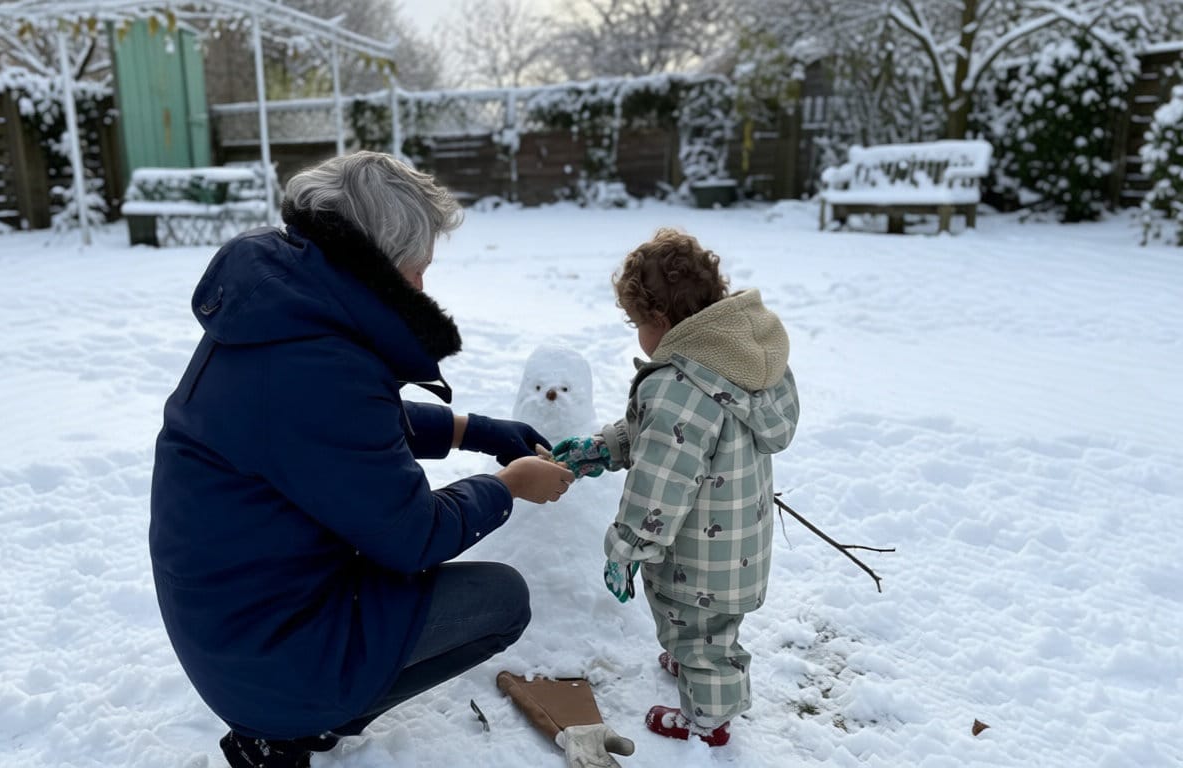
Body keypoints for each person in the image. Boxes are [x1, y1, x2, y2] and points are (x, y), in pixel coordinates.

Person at [149, 151, 575, 768]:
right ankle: (296, 723)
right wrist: (509, 487)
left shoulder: (277, 315)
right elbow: (413, 536)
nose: (424, 288)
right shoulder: (315, 365)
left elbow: (345, 431)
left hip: (233, 625)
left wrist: (476, 430)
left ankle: (297, 713)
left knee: (401, 583)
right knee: (502, 600)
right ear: (378, 260)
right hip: (265, 654)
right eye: (417, 269)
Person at [551, 228, 800, 747]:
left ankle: (708, 721)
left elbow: (659, 484)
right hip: (735, 546)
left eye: (637, 323)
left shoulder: (678, 385)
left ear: (660, 322)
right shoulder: (736, 361)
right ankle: (698, 664)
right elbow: (664, 437)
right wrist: (603, 446)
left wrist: (626, 548)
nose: (637, 333)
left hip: (696, 558)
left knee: (703, 641)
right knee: (708, 629)